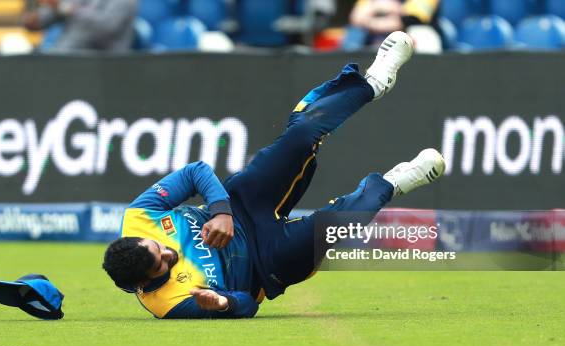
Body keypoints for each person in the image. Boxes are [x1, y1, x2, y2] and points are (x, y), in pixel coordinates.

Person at [102, 31, 446, 319]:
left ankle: (371, 84)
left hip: (242, 203)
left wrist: (221, 211)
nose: (168, 253)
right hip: (266, 263)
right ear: (141, 285)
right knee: (339, 221)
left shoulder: (139, 217)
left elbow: (195, 172)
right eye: (161, 264)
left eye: (157, 247)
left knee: (300, 136)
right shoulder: (168, 304)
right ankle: (392, 183)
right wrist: (223, 302)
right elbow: (247, 305)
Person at [23, 0, 138, 52]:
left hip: (104, 64)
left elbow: (108, 26)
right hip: (64, 57)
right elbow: (45, 17)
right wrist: (34, 19)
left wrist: (66, 8)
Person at [348, 0, 442, 47]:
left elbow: (412, 19)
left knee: (423, 35)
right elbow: (356, 16)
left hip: (407, 37)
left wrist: (374, 9)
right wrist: (381, 4)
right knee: (354, 33)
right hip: (375, 36)